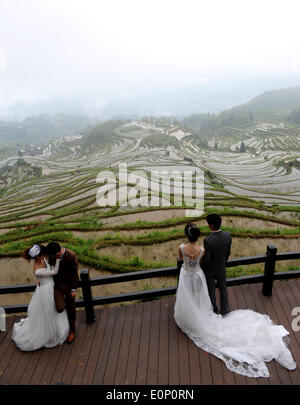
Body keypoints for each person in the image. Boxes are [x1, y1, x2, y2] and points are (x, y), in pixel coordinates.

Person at [174, 223, 296, 378]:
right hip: (197, 275)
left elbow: (180, 260)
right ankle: (199, 313)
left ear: (187, 235)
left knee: (187, 296)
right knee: (199, 297)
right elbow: (201, 262)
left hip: (186, 275)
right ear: (198, 236)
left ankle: (188, 316)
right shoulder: (202, 250)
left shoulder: (181, 248)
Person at [12, 244, 69, 351]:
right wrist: (58, 260)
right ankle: (52, 333)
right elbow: (54, 272)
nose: (44, 256)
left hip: (50, 286)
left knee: (55, 310)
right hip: (46, 291)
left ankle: (59, 329)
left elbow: (48, 271)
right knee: (50, 312)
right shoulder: (37, 270)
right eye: (43, 255)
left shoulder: (42, 260)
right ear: (37, 256)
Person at [47, 242, 79, 344]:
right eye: (53, 256)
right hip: (57, 285)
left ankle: (72, 330)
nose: (56, 257)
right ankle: (63, 326)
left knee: (71, 308)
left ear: (60, 249)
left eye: (57, 255)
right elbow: (49, 267)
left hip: (69, 287)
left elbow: (74, 274)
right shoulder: (52, 256)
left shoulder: (71, 255)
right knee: (59, 307)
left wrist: (74, 289)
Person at [203, 213, 231, 315]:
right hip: (221, 266)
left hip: (210, 270)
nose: (208, 225)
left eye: (208, 224)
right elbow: (228, 252)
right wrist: (223, 262)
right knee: (223, 289)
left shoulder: (208, 240)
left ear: (212, 226)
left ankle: (214, 310)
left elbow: (207, 259)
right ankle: (225, 309)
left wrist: (204, 268)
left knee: (211, 291)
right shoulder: (227, 236)